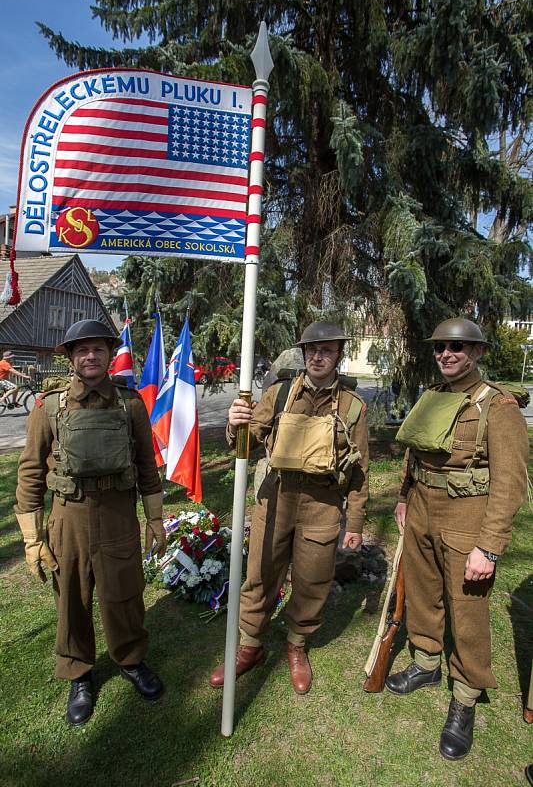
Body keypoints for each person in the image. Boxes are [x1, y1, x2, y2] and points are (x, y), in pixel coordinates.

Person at [385, 318, 529, 760]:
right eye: (441, 347)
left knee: (467, 609)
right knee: (424, 593)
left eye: (457, 347)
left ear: (478, 352)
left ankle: (465, 695)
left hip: (468, 515)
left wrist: (489, 546)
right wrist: (405, 495)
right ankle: (427, 662)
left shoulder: (498, 406)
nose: (447, 354)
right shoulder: (435, 396)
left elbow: (509, 484)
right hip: (423, 508)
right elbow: (417, 450)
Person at [14, 319, 166, 727]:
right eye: (82, 350)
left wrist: (155, 519)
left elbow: (146, 464)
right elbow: (30, 473)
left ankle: (131, 659)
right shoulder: (48, 407)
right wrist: (32, 539)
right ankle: (79, 673)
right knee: (72, 600)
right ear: (71, 357)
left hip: (118, 515)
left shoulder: (129, 403)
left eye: (98, 348)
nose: (91, 356)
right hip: (70, 517)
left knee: (125, 594)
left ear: (108, 353)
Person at [209, 321, 369, 694]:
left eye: (326, 350)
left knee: (313, 580)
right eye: (312, 350)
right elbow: (246, 446)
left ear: (338, 356)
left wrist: (356, 522)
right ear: (303, 354)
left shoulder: (352, 405)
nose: (318, 357)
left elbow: (360, 471)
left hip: (323, 504)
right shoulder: (280, 394)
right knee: (261, 572)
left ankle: (296, 644)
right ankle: (249, 646)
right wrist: (236, 425)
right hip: (275, 498)